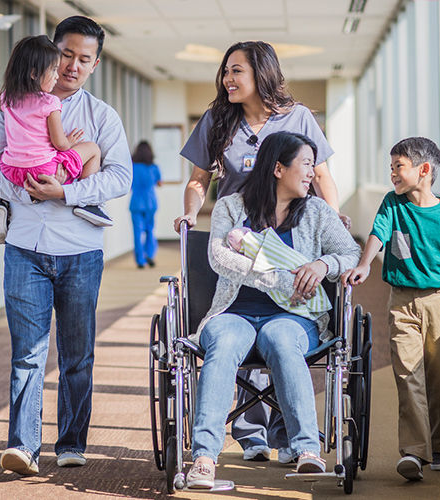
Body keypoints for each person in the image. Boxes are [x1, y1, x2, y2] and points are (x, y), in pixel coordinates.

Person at [175, 40, 349, 464]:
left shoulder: (298, 117)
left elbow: (320, 175)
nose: (227, 79)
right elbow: (199, 180)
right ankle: (252, 433)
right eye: (226, 71)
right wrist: (190, 215)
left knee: (280, 332)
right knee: (241, 323)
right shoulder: (218, 119)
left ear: (261, 74)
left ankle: (291, 436)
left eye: (237, 71)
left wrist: (330, 221)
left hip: (290, 228)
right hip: (238, 233)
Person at [0, 16, 132, 476]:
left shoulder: (102, 117)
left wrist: (64, 192)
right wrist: (29, 190)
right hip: (24, 247)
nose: (73, 66)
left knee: (77, 355)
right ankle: (23, 446)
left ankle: (70, 442)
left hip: (81, 249)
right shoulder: (13, 108)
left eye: (85, 59)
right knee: (27, 352)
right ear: (49, 53)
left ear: (96, 64)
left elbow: (119, 176)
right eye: (66, 55)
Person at [185, 131, 360, 488]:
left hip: (294, 317)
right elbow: (219, 256)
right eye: (307, 164)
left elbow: (350, 253)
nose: (313, 172)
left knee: (281, 340)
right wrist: (276, 278)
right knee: (222, 343)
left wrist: (322, 265)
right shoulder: (231, 205)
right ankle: (204, 457)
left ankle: (307, 451)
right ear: (279, 168)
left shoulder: (316, 211)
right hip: (234, 310)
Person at [342, 137, 440, 481]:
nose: (392, 173)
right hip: (401, 300)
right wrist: (364, 264)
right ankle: (413, 453)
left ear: (424, 170)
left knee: (439, 378)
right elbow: (378, 232)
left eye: (398, 167)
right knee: (407, 375)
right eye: (391, 167)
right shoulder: (393, 203)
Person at [0, 35, 110, 244]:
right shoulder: (50, 102)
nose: (56, 75)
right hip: (45, 170)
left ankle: (0, 203)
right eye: (53, 70)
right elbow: (60, 144)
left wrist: (14, 90)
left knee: (0, 160)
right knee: (93, 149)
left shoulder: (10, 99)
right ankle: (88, 204)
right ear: (34, 73)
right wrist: (70, 142)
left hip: (11, 171)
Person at [129, 140, 162, 268]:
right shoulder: (153, 167)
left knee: (137, 232)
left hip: (136, 202)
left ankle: (140, 260)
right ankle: (150, 254)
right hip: (150, 202)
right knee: (150, 230)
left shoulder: (132, 167)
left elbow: (128, 185)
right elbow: (159, 183)